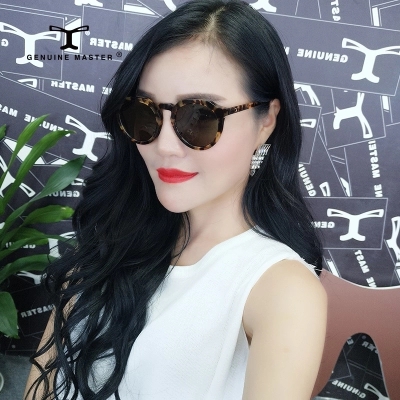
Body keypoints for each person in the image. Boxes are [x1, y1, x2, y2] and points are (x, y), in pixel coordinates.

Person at [25, 0, 327, 399]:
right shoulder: (110, 241)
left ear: (266, 121)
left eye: (200, 116)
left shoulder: (282, 290)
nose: (164, 145)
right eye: (145, 113)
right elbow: (41, 387)